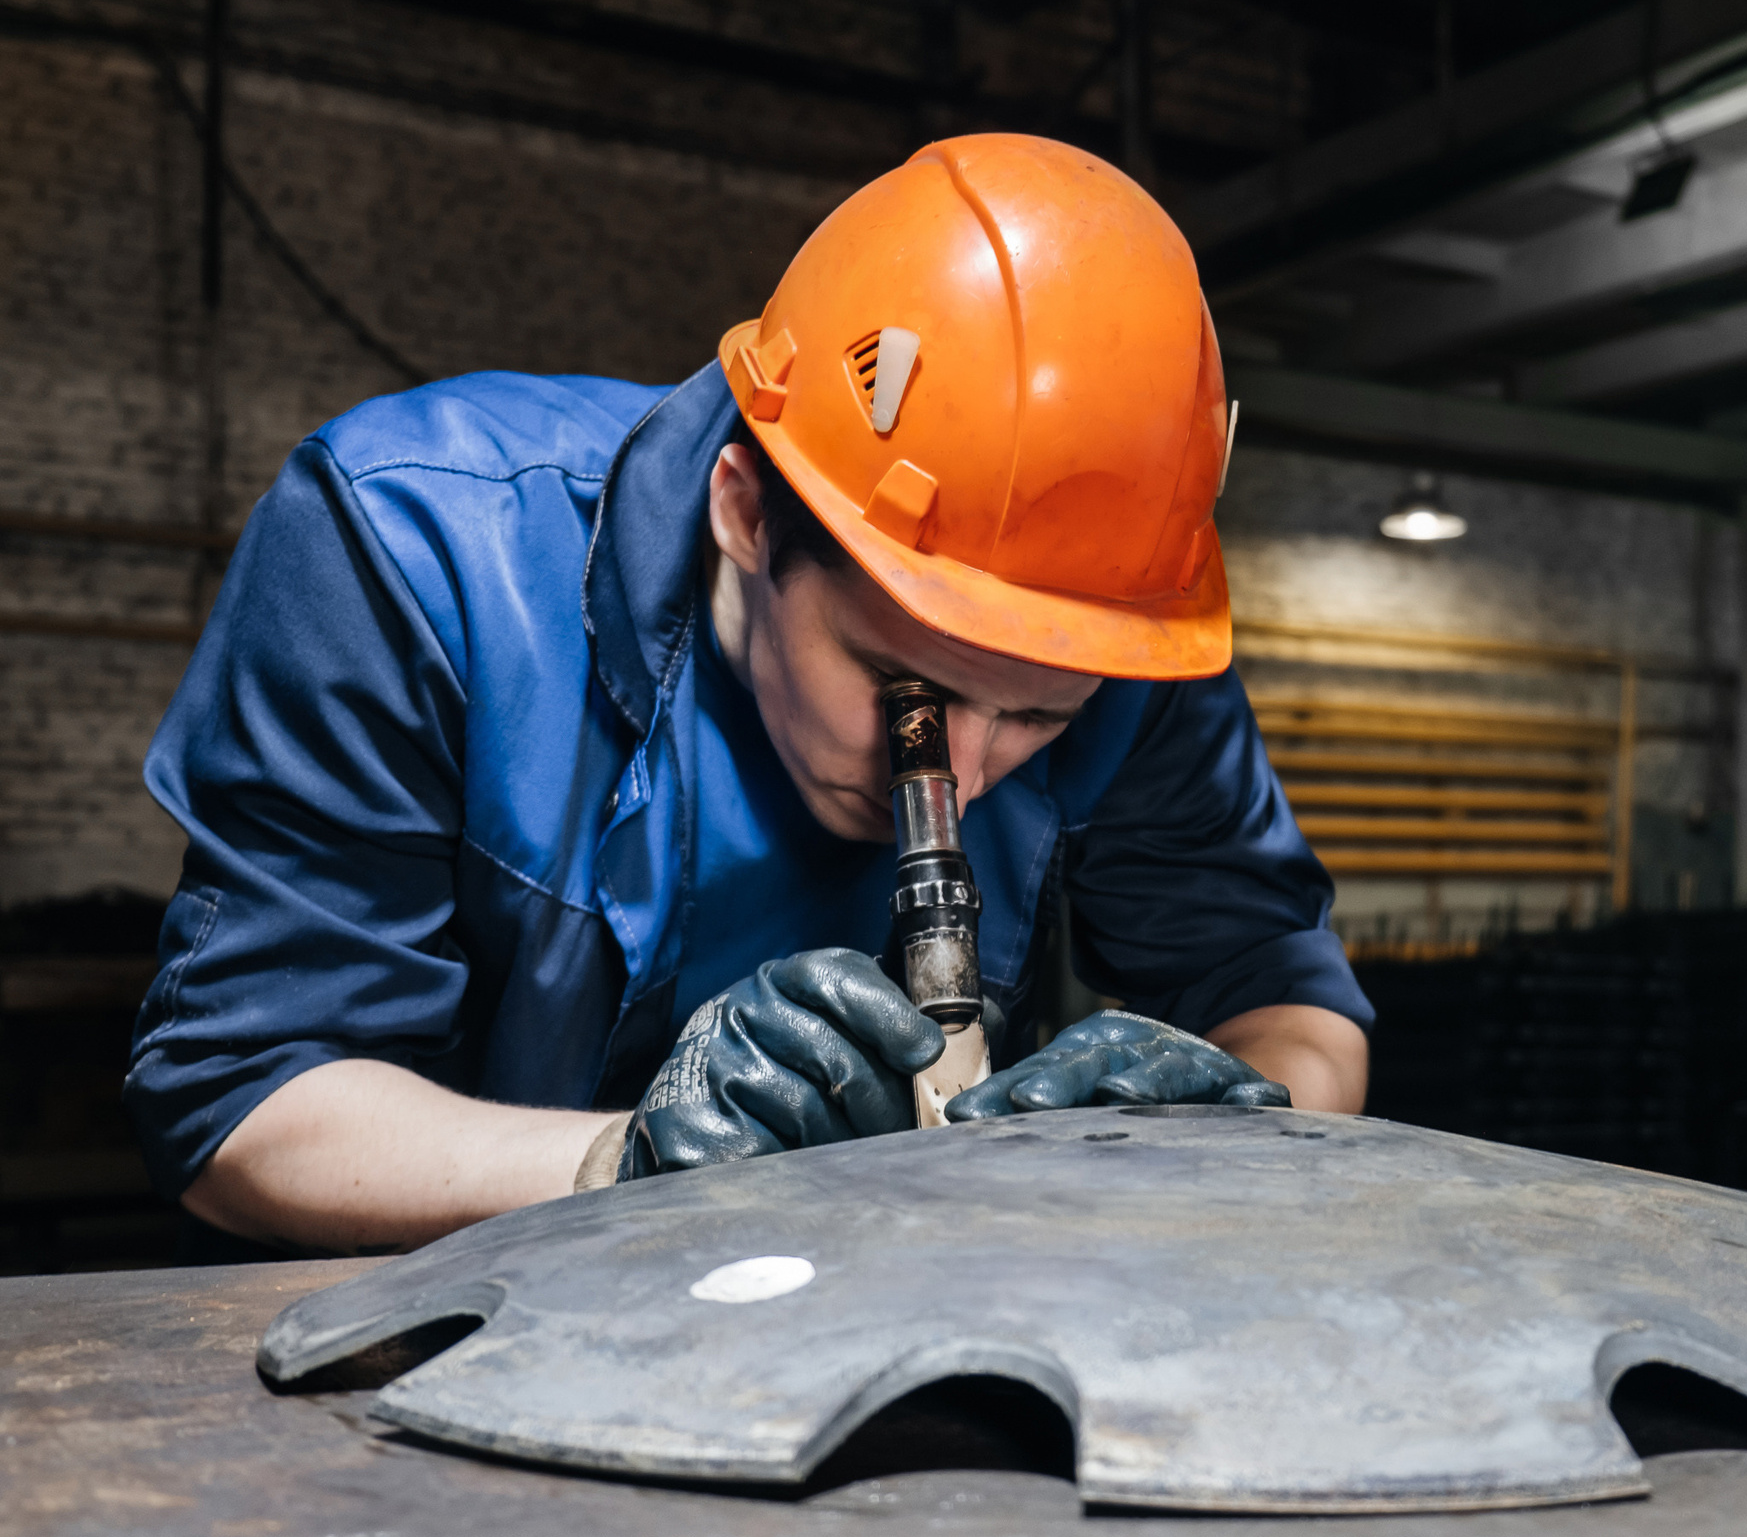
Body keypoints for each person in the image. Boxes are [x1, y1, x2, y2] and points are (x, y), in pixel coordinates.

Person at [126, 134, 1372, 1256]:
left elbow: (1295, 1010)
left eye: (1046, 716)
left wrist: (1219, 1117)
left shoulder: (1110, 631)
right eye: (909, 693)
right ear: (744, 511)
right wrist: (618, 1165)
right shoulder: (415, 552)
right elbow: (243, 1104)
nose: (972, 770)